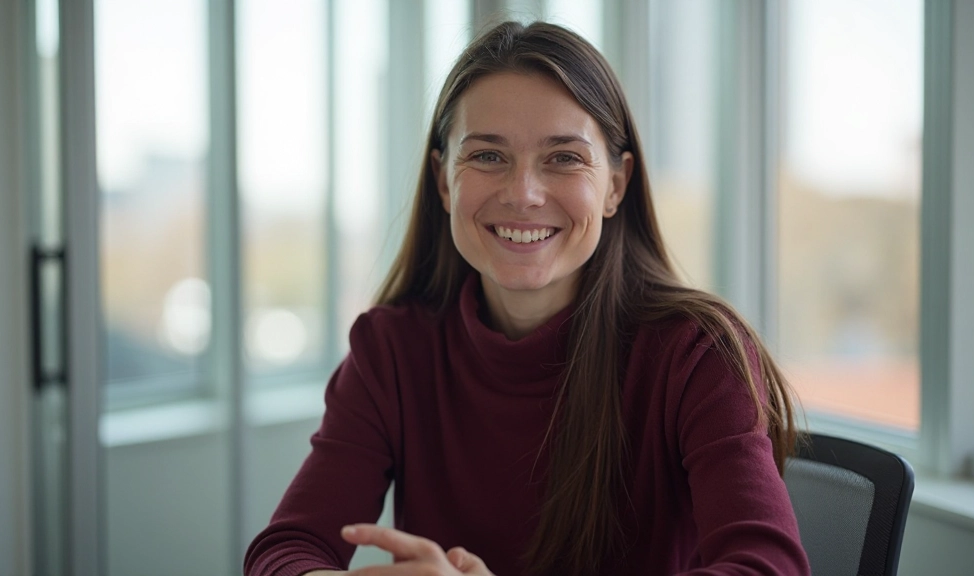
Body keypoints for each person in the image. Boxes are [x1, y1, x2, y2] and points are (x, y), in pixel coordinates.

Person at [244, 20, 809, 576]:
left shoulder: (696, 354)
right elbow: (283, 552)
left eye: (564, 157)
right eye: (488, 156)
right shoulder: (391, 350)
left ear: (615, 184)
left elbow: (769, 567)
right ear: (444, 182)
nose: (524, 194)